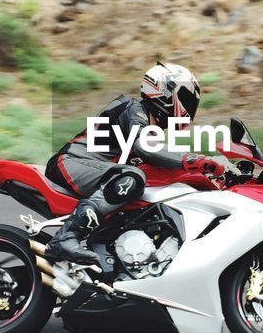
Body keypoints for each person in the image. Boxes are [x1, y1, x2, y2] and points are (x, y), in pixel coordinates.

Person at [43, 62, 224, 267]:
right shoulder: (133, 109)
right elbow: (144, 147)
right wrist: (197, 161)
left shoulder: (149, 127)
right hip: (71, 163)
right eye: (186, 99)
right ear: (164, 91)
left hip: (97, 170)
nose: (189, 107)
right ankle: (64, 238)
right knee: (132, 178)